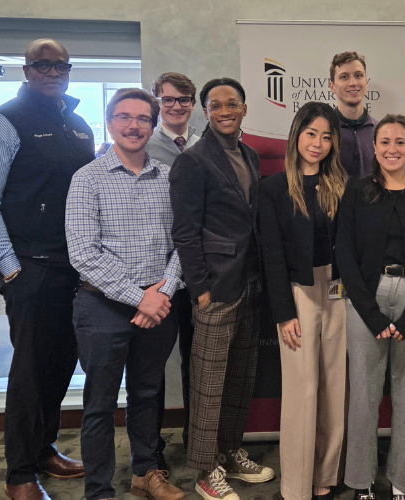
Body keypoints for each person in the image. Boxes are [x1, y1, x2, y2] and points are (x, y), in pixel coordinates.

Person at [0, 38, 92, 500]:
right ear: (26, 70)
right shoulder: (1, 122)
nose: (52, 71)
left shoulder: (78, 126)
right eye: (42, 64)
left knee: (61, 365)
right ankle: (19, 474)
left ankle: (43, 449)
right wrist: (11, 270)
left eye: (60, 64)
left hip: (75, 269)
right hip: (30, 268)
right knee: (30, 372)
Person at [66, 88, 185, 500]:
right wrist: (140, 298)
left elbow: (182, 244)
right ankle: (98, 490)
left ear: (153, 125)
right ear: (110, 121)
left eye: (142, 118)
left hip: (158, 305)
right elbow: (84, 253)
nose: (134, 125)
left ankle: (146, 473)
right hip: (102, 307)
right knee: (99, 405)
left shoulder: (169, 179)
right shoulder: (87, 179)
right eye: (124, 117)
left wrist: (164, 291)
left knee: (147, 394)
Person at [169, 77, 275, 500]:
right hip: (216, 288)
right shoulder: (193, 162)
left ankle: (230, 451)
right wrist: (200, 290)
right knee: (209, 384)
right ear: (206, 112)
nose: (225, 111)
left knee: (240, 378)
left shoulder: (248, 154)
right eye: (216, 105)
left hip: (249, 283)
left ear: (245, 108)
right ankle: (203, 468)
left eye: (233, 103)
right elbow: (184, 231)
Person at [337, 114, 405, 500]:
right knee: (364, 395)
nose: (392, 149)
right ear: (374, 147)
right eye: (385, 142)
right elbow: (345, 254)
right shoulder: (357, 191)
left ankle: (403, 482)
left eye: (400, 142)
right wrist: (370, 313)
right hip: (367, 298)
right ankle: (360, 482)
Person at [259, 102, 349, 500]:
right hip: (298, 293)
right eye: (311, 133)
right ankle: (296, 486)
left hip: (338, 291)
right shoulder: (273, 189)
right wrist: (284, 314)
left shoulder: (342, 184)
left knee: (334, 388)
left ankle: (324, 475)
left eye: (326, 136)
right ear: (296, 136)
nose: (318, 143)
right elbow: (271, 257)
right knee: (302, 390)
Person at [148, 70, 201, 467]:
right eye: (168, 100)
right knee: (152, 364)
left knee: (196, 360)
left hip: (199, 271)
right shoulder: (142, 145)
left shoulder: (204, 147)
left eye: (184, 100)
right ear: (158, 103)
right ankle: (150, 450)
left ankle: (196, 437)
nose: (177, 107)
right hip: (158, 273)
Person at [329, 51, 378, 179]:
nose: (353, 83)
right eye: (344, 77)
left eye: (358, 75)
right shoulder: (325, 131)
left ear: (366, 83)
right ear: (332, 87)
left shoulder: (380, 131)